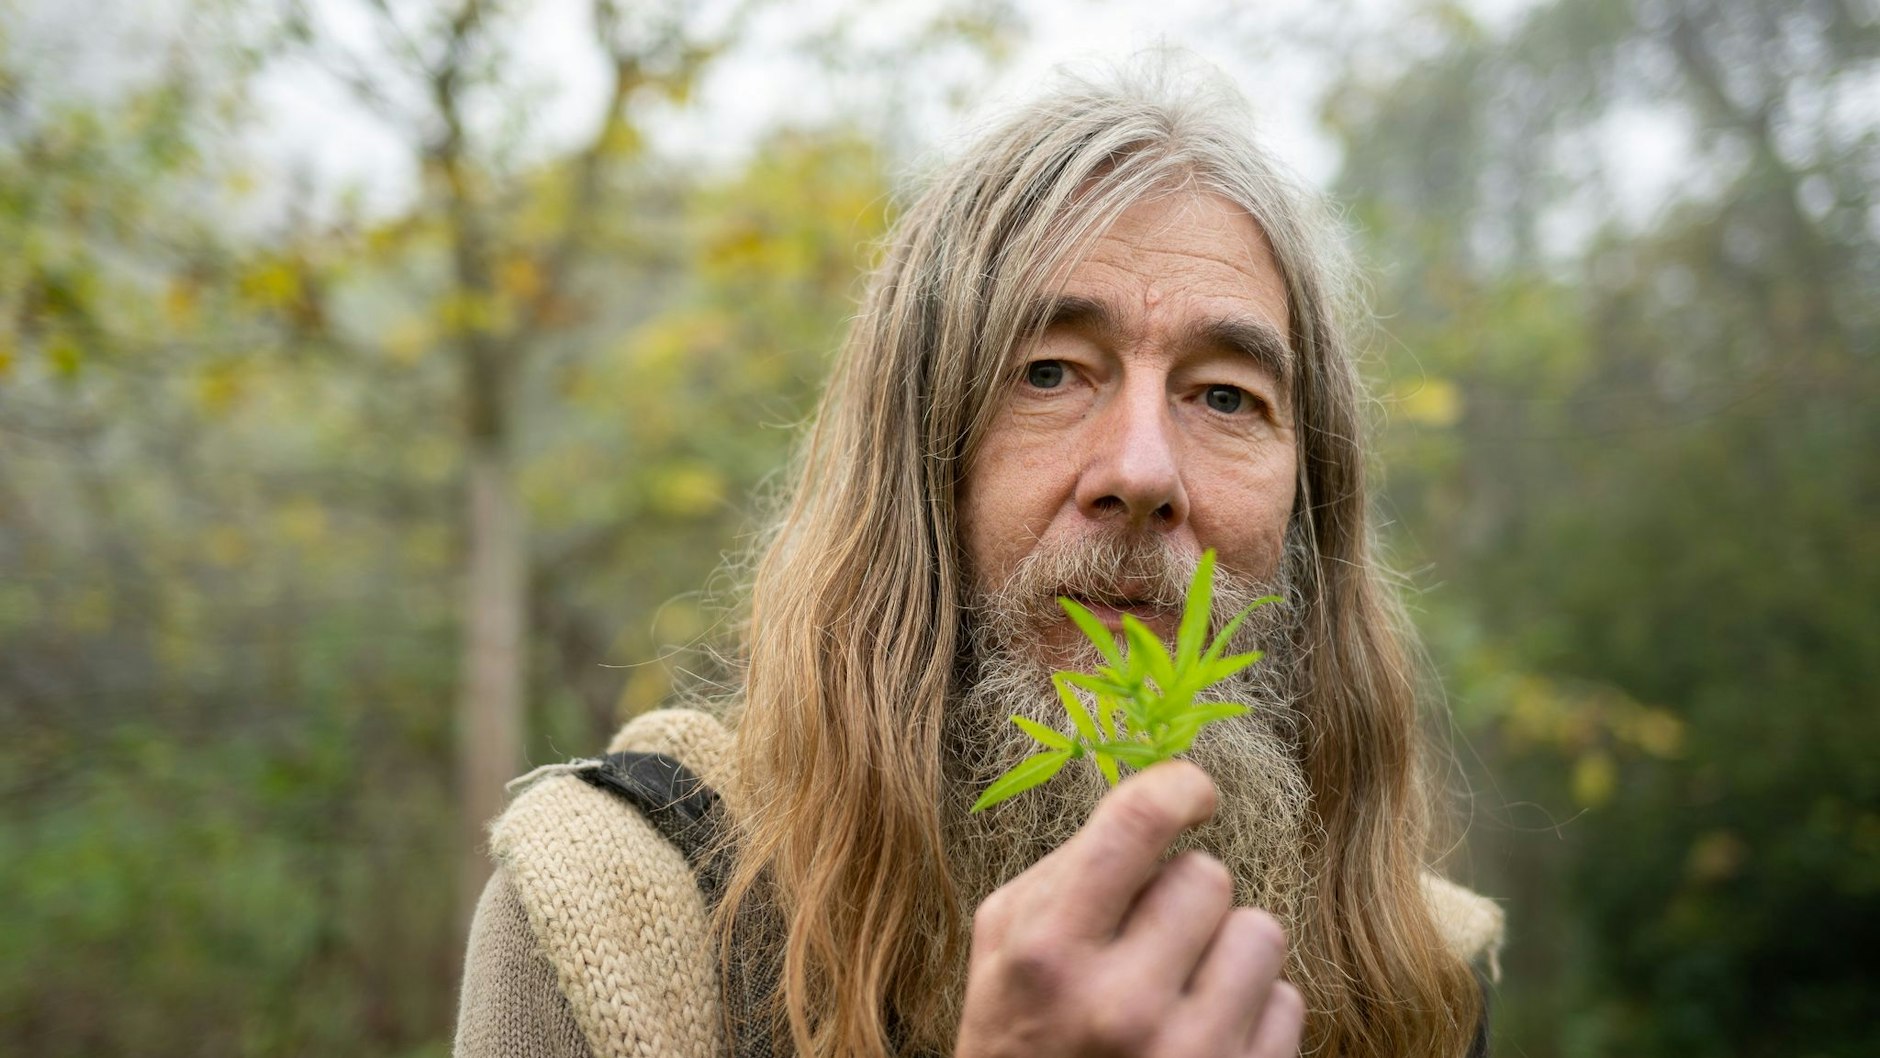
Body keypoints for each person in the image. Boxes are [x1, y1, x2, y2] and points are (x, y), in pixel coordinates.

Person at [452, 67, 1505, 1058]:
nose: (1141, 472)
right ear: (918, 464)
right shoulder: (612, 907)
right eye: (1048, 372)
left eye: (1224, 394)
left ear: (1307, 512)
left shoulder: (1428, 973)